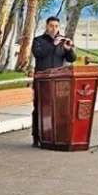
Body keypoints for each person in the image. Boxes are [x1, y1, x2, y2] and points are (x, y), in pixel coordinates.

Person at [29, 16, 77, 145]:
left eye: (56, 26)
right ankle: (37, 137)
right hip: (42, 80)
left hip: (59, 81)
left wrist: (68, 49)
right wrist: (53, 45)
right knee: (40, 108)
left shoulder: (62, 41)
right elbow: (38, 54)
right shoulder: (38, 40)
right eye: (51, 26)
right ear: (46, 26)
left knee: (59, 108)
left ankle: (56, 136)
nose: (54, 29)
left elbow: (72, 59)